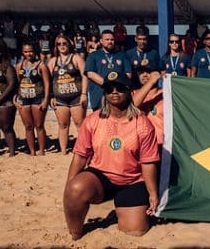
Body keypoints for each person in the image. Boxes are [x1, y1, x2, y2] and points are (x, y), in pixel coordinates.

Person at [63, 72, 160, 240]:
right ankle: (76, 232)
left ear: (130, 92)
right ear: (105, 94)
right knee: (75, 189)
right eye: (109, 89)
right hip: (101, 178)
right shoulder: (93, 120)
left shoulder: (143, 124)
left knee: (135, 231)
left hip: (132, 181)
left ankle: (125, 208)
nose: (114, 92)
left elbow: (148, 162)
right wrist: (69, 189)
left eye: (120, 88)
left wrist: (153, 193)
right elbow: (80, 156)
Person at [49, 34, 88, 153]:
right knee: (63, 125)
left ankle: (83, 149)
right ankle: (63, 150)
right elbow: (48, 81)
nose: (62, 46)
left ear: (69, 44)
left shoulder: (76, 58)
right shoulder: (53, 61)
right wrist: (51, 96)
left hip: (76, 96)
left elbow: (85, 76)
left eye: (64, 43)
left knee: (79, 124)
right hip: (60, 98)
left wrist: (84, 94)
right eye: (59, 44)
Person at [15, 42, 50, 156]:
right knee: (28, 126)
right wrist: (15, 98)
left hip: (37, 98)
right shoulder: (19, 66)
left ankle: (41, 150)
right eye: (25, 51)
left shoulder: (41, 65)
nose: (28, 54)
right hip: (24, 98)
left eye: (30, 51)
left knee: (39, 126)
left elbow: (47, 84)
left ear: (34, 52)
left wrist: (46, 100)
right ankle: (32, 151)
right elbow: (17, 84)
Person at [85, 30, 128, 110]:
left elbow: (128, 74)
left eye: (112, 40)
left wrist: (116, 86)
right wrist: (108, 85)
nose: (110, 42)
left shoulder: (122, 55)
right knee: (100, 121)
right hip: (99, 95)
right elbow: (90, 73)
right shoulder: (93, 55)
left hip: (118, 96)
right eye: (107, 39)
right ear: (101, 41)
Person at [131, 63, 163, 146]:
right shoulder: (133, 93)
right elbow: (132, 106)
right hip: (141, 145)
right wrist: (151, 82)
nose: (144, 75)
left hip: (162, 144)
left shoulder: (166, 93)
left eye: (148, 71)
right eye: (141, 72)